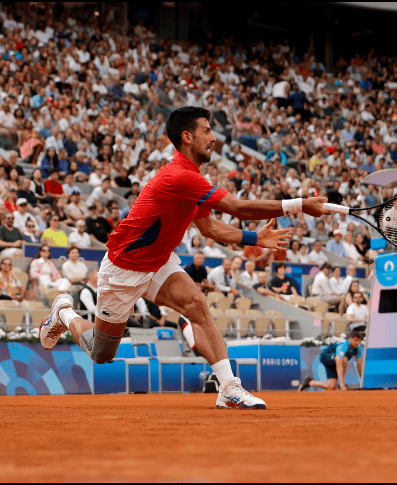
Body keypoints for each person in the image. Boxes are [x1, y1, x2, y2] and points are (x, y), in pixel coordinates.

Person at [39, 107, 330, 409]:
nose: (213, 138)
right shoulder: (179, 177)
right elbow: (238, 207)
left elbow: (209, 227)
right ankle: (64, 314)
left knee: (197, 306)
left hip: (159, 261)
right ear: (188, 137)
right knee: (101, 353)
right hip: (124, 267)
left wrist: (253, 238)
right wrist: (299, 205)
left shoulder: (192, 179)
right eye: (207, 131)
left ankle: (229, 388)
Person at [299, 330, 364, 391]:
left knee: (332, 387)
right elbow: (338, 359)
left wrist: (363, 381)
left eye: (359, 341)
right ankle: (341, 384)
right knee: (344, 358)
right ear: (349, 339)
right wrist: (342, 384)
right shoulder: (343, 346)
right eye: (355, 340)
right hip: (326, 356)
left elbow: (359, 365)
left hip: (334, 362)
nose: (357, 342)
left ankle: (310, 382)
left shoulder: (358, 348)